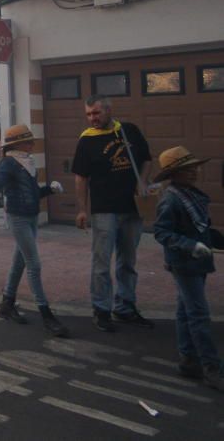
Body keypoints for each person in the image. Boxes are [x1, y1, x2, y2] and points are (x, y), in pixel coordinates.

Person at [72, 94, 153, 332]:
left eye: (96, 113)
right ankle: (101, 309)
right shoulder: (86, 141)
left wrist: (143, 182)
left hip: (132, 208)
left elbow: (147, 159)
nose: (92, 118)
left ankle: (125, 307)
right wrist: (81, 210)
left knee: (128, 261)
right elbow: (80, 177)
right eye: (88, 114)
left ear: (108, 110)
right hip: (104, 210)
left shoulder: (129, 131)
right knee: (101, 263)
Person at [0, 124, 68, 337]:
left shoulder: (28, 162)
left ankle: (7, 305)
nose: (32, 145)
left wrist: (49, 190)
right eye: (29, 142)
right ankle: (46, 314)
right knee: (33, 265)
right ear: (19, 144)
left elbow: (33, 192)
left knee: (19, 262)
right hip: (18, 218)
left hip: (31, 216)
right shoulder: (9, 163)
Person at [152, 146, 223, 390]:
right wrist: (190, 245)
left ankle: (188, 359)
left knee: (185, 310)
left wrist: (214, 241)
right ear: (174, 174)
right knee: (199, 314)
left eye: (193, 167)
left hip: (198, 260)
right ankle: (211, 367)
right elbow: (161, 232)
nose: (193, 172)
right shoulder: (171, 200)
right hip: (184, 262)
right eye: (186, 169)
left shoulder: (191, 194)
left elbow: (203, 228)